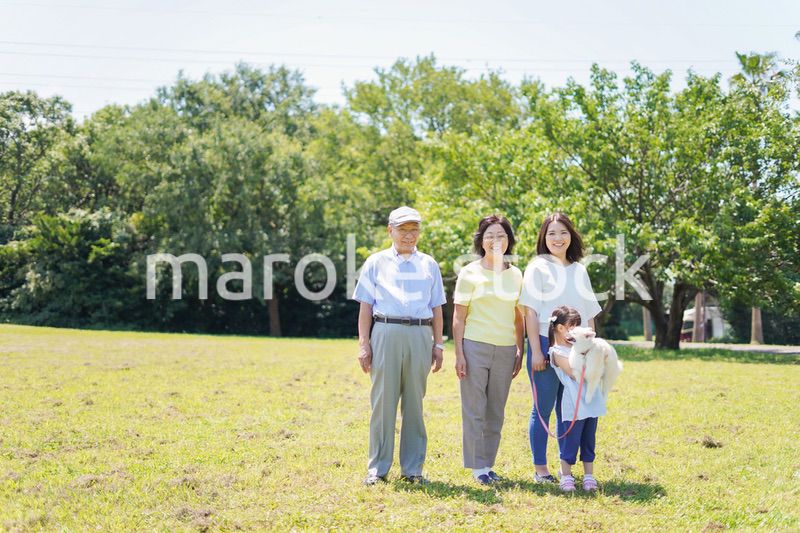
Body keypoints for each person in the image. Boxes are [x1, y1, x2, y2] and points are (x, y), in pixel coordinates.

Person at [352, 206, 447, 486]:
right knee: (383, 402)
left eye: (414, 229)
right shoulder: (375, 262)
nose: (409, 235)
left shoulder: (429, 264)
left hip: (420, 334)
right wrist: (363, 344)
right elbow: (365, 307)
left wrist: (439, 344)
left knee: (415, 404)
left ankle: (413, 469)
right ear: (389, 231)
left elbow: (438, 308)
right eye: (403, 229)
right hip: (385, 331)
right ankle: (377, 469)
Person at [518, 212, 602, 483]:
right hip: (545, 343)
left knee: (571, 408)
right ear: (544, 237)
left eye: (563, 232)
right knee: (542, 407)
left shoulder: (580, 270)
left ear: (571, 236)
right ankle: (541, 469)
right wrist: (537, 350)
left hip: (578, 348)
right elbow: (529, 312)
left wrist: (590, 347)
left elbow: (589, 314)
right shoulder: (537, 267)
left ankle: (567, 467)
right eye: (552, 233)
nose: (558, 238)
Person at [452, 215, 524, 485]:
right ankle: (476, 467)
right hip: (474, 346)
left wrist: (521, 349)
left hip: (506, 349)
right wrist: (458, 353)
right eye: (490, 236)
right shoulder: (470, 272)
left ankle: (488, 464)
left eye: (501, 236)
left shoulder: (517, 274)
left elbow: (519, 317)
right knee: (474, 408)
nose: (496, 241)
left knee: (496, 409)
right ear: (481, 241)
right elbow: (459, 317)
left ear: (509, 241)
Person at [546, 305, 606, 492]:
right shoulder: (556, 352)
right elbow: (574, 372)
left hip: (591, 400)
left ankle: (589, 475)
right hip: (573, 402)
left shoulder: (578, 347)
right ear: (560, 328)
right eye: (571, 326)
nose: (574, 331)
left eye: (577, 327)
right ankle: (566, 475)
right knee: (570, 440)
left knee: (589, 438)